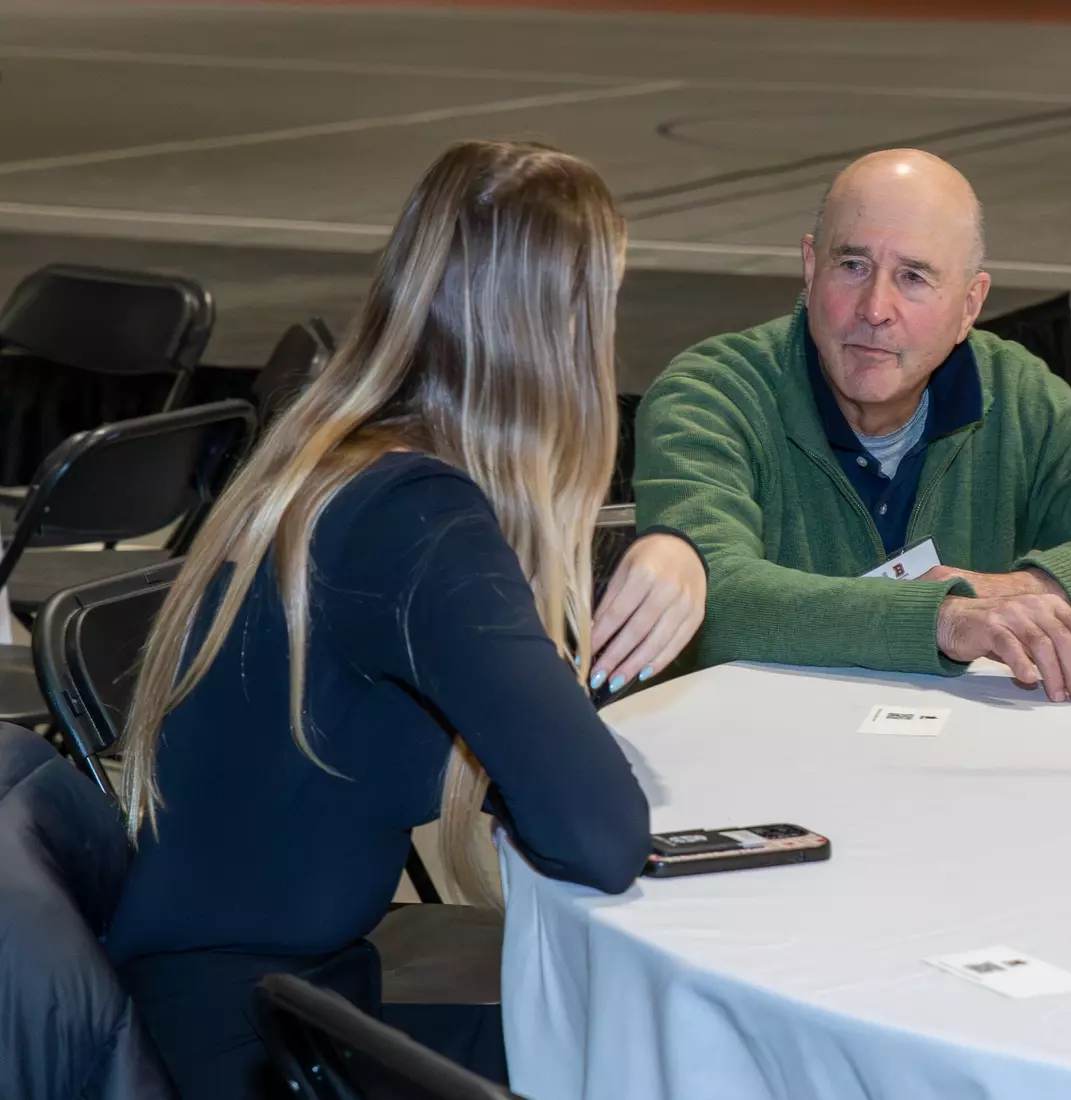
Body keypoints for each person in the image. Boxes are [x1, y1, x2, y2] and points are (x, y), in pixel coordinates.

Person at [106, 141, 705, 1099]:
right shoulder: (418, 525)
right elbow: (599, 834)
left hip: (233, 998)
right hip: (255, 1051)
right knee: (676, 1068)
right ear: (562, 329)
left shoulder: (340, 460)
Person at [633, 148, 1071, 703]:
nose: (876, 309)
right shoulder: (713, 393)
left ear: (970, 304)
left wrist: (1022, 587)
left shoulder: (1010, 392)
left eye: (914, 277)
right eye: (852, 265)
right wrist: (944, 619)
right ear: (809, 266)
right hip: (756, 760)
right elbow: (710, 594)